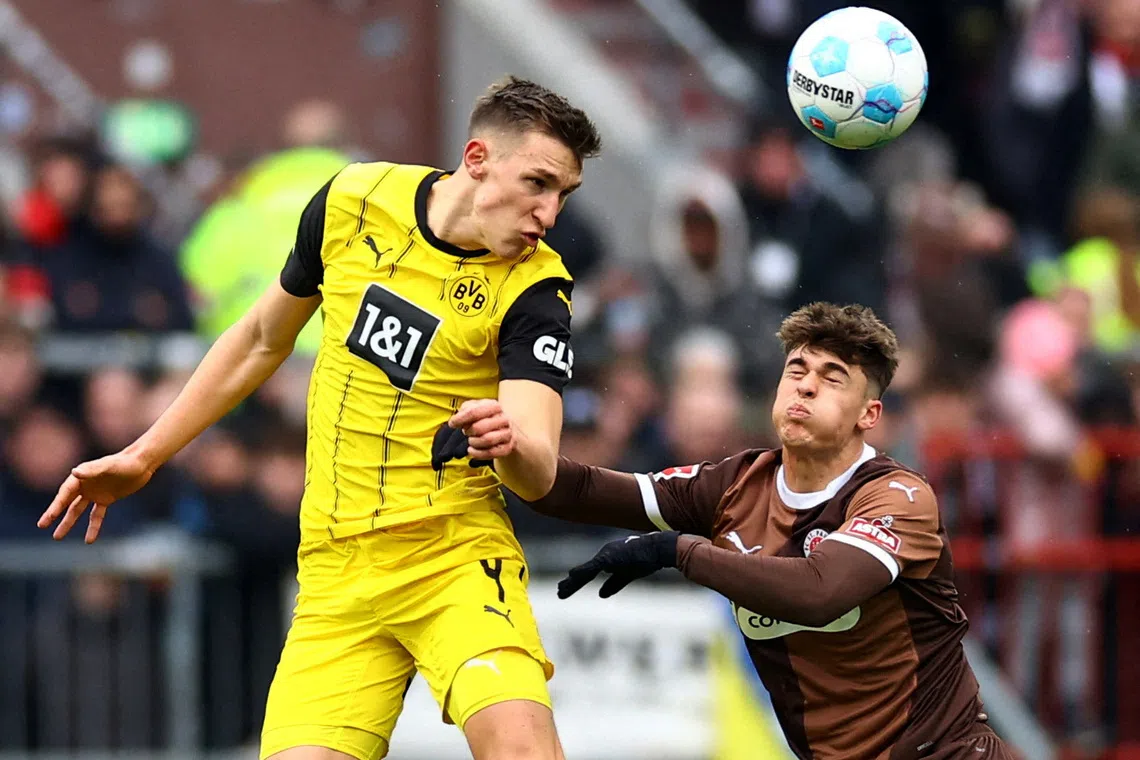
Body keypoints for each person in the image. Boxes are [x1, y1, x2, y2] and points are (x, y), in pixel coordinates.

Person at [37, 75, 602, 760]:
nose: (548, 212)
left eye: (562, 195)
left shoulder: (538, 287)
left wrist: (509, 441)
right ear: (477, 158)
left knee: (523, 750)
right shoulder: (352, 201)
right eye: (539, 183)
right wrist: (145, 453)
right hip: (338, 571)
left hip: (453, 556)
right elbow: (259, 340)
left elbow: (539, 467)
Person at [523, 302, 1016, 759]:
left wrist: (681, 552)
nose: (805, 386)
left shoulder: (898, 497)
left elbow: (819, 592)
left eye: (833, 377)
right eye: (796, 370)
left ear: (870, 414)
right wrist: (504, 441)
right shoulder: (735, 484)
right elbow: (576, 489)